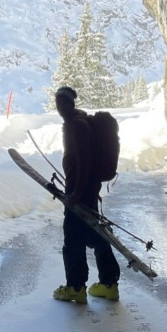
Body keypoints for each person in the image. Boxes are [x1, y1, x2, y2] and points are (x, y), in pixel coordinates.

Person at [52, 86, 120, 303]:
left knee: (72, 240)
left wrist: (76, 193)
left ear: (71, 103)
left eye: (63, 102)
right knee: (95, 235)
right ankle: (109, 285)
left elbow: (85, 162)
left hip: (80, 191)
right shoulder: (78, 123)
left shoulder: (77, 126)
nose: (60, 106)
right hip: (86, 190)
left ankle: (76, 288)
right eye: (57, 102)